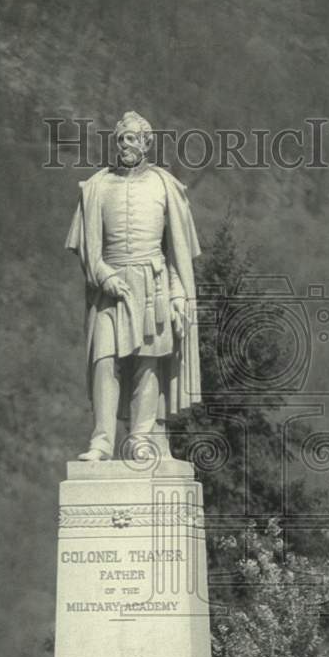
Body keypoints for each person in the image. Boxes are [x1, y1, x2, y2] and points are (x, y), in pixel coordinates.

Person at [65, 110, 202, 461]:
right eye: (121, 138)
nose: (125, 144)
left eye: (132, 139)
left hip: (152, 285)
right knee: (104, 359)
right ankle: (102, 441)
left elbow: (176, 254)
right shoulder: (96, 186)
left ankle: (141, 438)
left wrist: (177, 295)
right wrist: (105, 276)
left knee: (148, 361)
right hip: (108, 288)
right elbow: (87, 248)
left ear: (146, 144)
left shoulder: (165, 186)